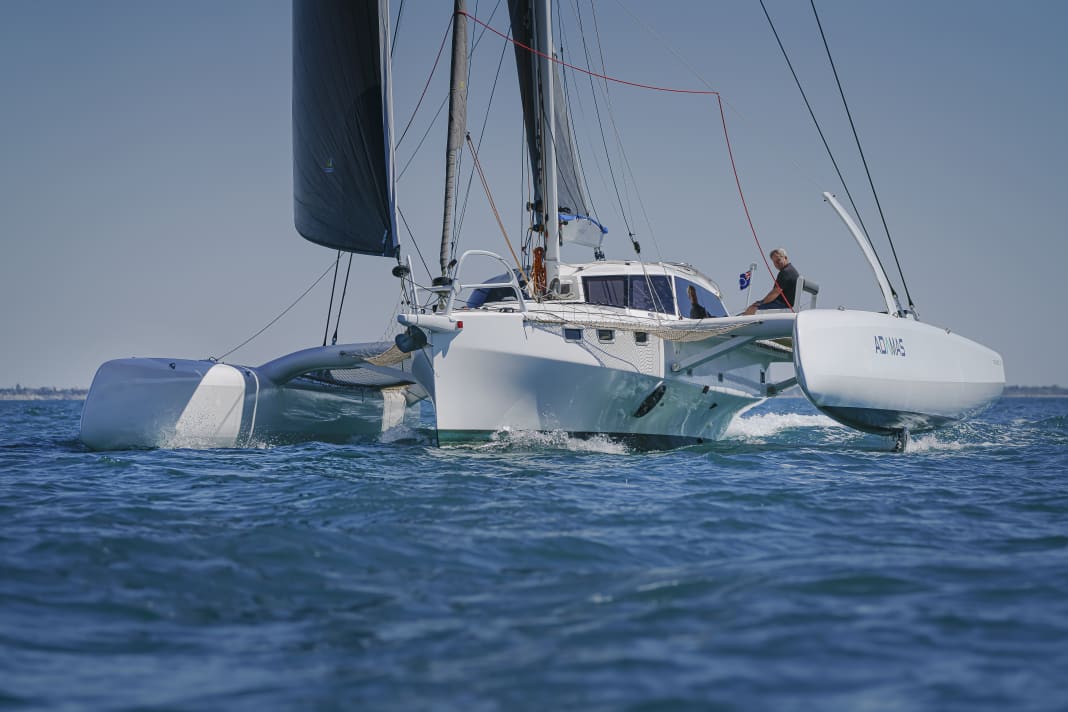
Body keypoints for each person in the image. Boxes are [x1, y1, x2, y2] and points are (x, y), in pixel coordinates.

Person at [743, 248, 798, 315]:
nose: (777, 264)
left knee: (752, 308)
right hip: (786, 304)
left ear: (785, 258)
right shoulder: (791, 270)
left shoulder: (785, 272)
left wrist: (760, 303)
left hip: (783, 305)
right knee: (754, 306)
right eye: (774, 262)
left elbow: (775, 293)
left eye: (778, 260)